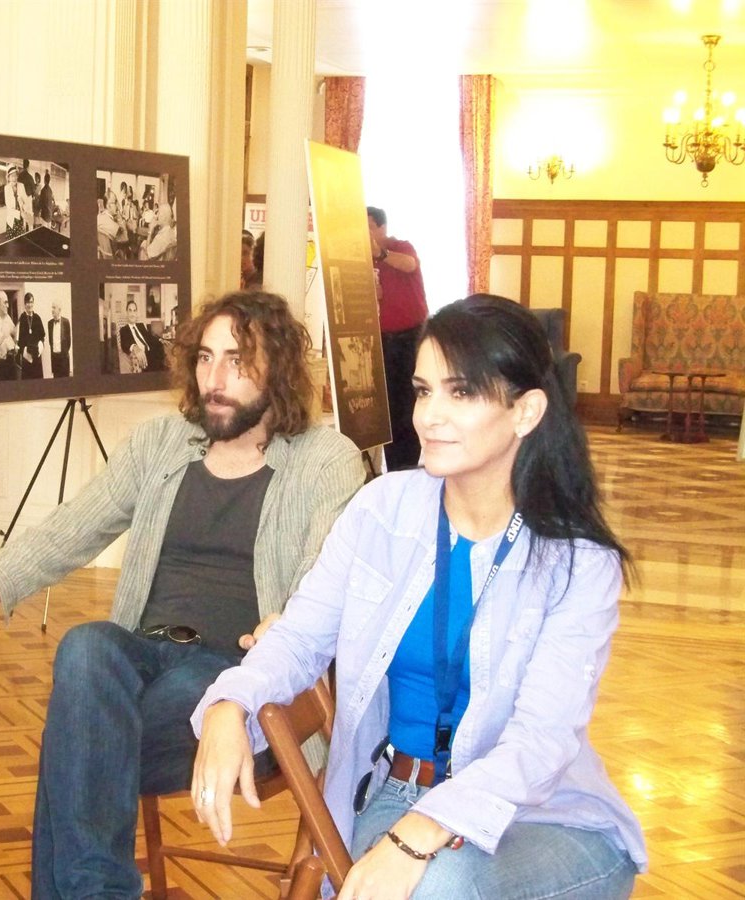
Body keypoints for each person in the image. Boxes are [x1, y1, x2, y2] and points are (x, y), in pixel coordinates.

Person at [0, 290, 364, 899]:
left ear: (278, 369)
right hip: (144, 655)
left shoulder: (324, 459)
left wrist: (287, 623)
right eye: (205, 358)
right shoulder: (161, 444)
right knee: (86, 646)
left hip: (243, 682)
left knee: (77, 742)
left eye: (237, 361)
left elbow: (323, 572)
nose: (214, 379)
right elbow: (72, 529)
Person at [191, 294, 646, 900]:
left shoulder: (575, 561)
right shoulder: (382, 510)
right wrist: (231, 703)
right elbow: (299, 638)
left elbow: (542, 740)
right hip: (397, 792)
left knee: (438, 887)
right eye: (424, 391)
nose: (429, 416)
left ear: (526, 411)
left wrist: (422, 832)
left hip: (542, 814)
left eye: (461, 393)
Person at [368, 206, 428, 472]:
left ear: (382, 228)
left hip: (411, 339)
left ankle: (408, 466)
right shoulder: (364, 260)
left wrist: (380, 254)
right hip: (382, 341)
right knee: (388, 411)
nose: (364, 234)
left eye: (369, 227)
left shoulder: (400, 247)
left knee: (409, 406)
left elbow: (410, 264)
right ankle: (393, 469)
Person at [118, 299, 165, 373]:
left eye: (134, 311)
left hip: (153, 353)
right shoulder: (124, 330)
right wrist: (135, 347)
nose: (132, 314)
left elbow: (150, 337)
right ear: (127, 313)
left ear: (136, 313)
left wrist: (160, 339)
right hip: (144, 358)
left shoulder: (141, 326)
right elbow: (124, 344)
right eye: (130, 310)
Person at [17, 292, 46, 379]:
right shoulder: (22, 318)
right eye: (28, 302)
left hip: (37, 355)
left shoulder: (37, 318)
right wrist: (24, 352)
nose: (30, 305)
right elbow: (19, 340)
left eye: (31, 302)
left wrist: (40, 347)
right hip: (27, 357)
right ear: (25, 304)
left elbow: (42, 337)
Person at [96, 190, 127, 258]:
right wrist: (119, 217)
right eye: (115, 202)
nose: (117, 205)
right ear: (108, 205)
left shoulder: (99, 217)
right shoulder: (109, 223)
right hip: (112, 258)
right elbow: (125, 238)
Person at [48, 301, 71, 378]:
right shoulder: (49, 323)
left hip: (63, 359)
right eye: (52, 307)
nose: (52, 310)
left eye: (54, 307)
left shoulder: (66, 322)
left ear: (59, 309)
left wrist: (64, 353)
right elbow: (50, 342)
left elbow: (68, 342)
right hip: (54, 359)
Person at [4, 167, 29, 237]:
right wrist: (19, 213)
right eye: (12, 176)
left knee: (21, 239)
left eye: (15, 176)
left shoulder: (21, 186)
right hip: (12, 218)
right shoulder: (6, 188)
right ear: (8, 178)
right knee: (11, 240)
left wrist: (24, 210)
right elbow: (8, 206)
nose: (14, 178)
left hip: (21, 218)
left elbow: (26, 201)